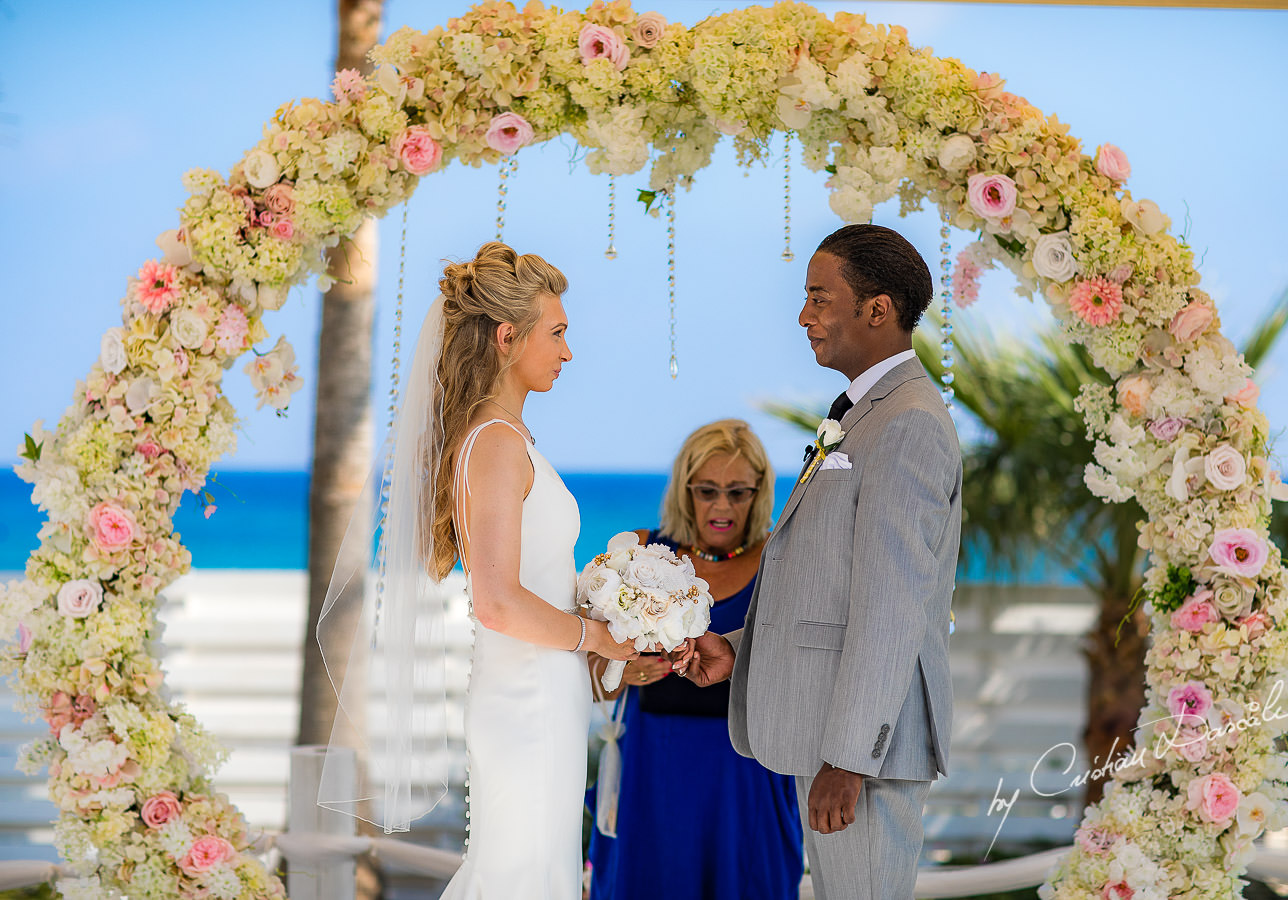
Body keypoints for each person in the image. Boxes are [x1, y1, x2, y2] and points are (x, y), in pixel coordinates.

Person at [318, 240, 640, 900]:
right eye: (557, 333)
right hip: (525, 703)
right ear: (506, 336)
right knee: (518, 877)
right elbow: (496, 602)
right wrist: (598, 637)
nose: (567, 351)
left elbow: (534, 584)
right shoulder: (493, 444)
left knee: (535, 872)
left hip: (542, 693)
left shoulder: (507, 438)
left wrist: (609, 616)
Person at [677, 224, 963, 900]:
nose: (804, 316)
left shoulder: (908, 423)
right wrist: (739, 650)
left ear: (877, 309)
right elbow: (833, 590)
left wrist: (849, 757)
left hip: (864, 750)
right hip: (837, 734)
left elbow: (892, 606)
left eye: (818, 298)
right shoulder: (863, 414)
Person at [584, 420, 803, 900]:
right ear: (686, 490)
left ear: (760, 491)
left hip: (746, 777)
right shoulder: (640, 554)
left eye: (738, 492)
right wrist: (626, 670)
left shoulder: (783, 559)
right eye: (707, 491)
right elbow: (592, 678)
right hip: (653, 769)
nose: (722, 507)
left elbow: (803, 666)